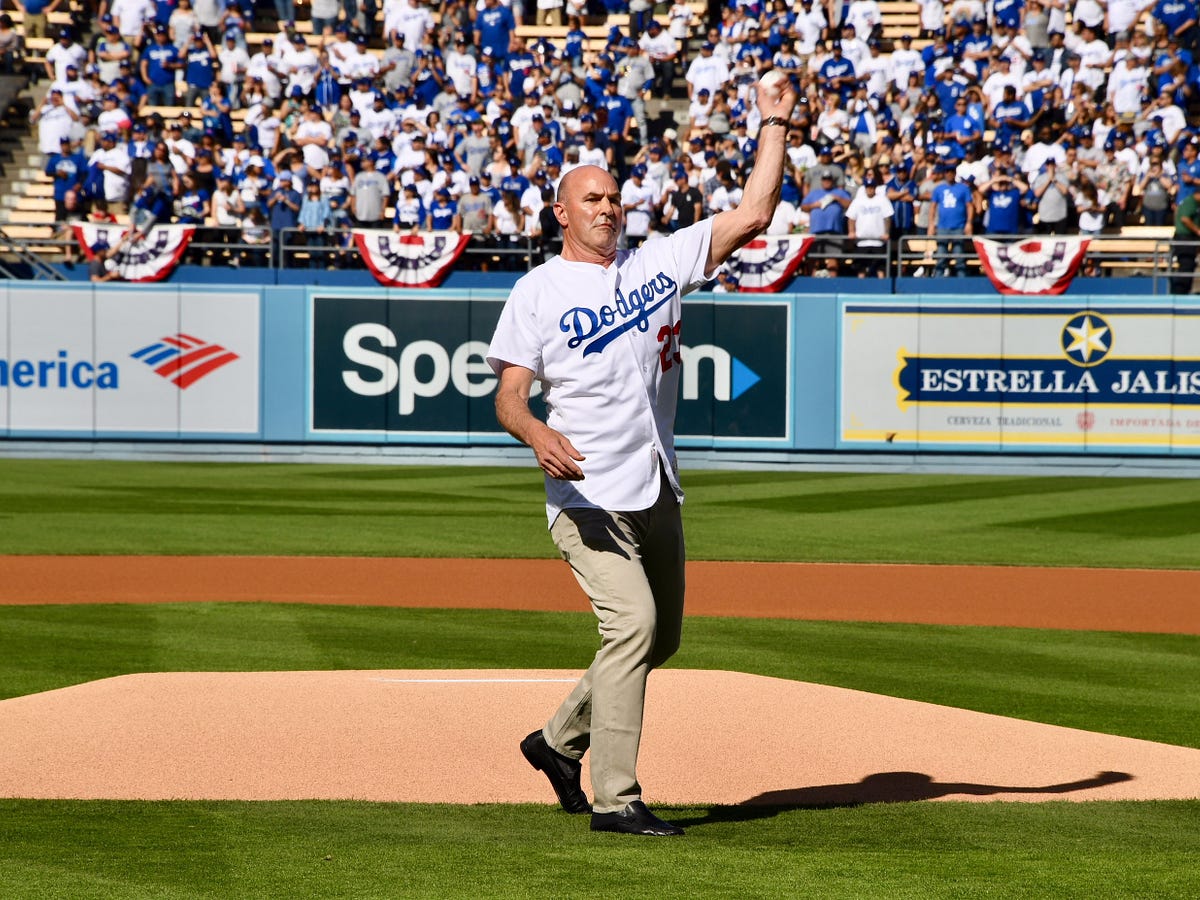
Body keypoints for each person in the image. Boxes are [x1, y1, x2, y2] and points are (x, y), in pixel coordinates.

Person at [486, 76, 798, 838]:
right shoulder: (538, 290)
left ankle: (557, 743)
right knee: (631, 628)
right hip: (586, 498)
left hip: (654, 489)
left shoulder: (658, 265)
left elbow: (754, 211)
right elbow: (507, 396)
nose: (607, 207)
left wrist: (774, 122)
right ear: (561, 212)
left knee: (663, 637)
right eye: (591, 198)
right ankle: (615, 799)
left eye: (614, 197)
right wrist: (534, 433)